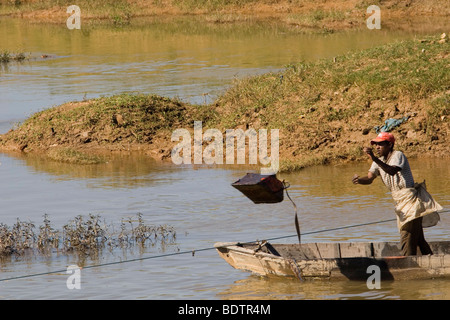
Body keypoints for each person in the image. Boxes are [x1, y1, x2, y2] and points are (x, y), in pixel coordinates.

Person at [352, 132, 442, 256]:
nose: (377, 147)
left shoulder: (397, 155)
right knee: (418, 238)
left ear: (389, 144)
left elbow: (392, 171)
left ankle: (407, 264)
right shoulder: (378, 161)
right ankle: (431, 260)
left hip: (410, 199)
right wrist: (359, 180)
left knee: (407, 234)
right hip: (400, 201)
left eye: (380, 144)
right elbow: (369, 178)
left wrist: (374, 158)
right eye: (376, 144)